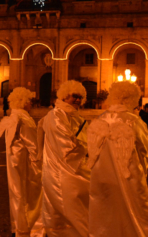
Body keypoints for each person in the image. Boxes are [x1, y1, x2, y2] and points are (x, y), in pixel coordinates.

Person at [87, 80, 148, 237]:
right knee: (135, 213)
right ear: (132, 98)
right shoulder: (133, 121)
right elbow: (146, 150)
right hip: (129, 177)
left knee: (105, 213)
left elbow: (91, 149)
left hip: (102, 178)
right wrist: (142, 170)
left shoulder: (99, 120)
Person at [0, 87, 43, 236]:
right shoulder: (24, 119)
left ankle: (18, 226)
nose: (31, 104)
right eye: (29, 101)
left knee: (17, 194)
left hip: (14, 162)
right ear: (23, 102)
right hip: (26, 163)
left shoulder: (13, 117)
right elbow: (33, 145)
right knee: (29, 194)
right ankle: (29, 227)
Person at [39, 80, 90, 237]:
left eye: (80, 97)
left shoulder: (76, 117)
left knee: (77, 208)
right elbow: (66, 145)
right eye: (74, 96)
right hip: (61, 172)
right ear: (64, 96)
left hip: (74, 169)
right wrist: (88, 150)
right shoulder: (55, 116)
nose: (77, 100)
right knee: (67, 209)